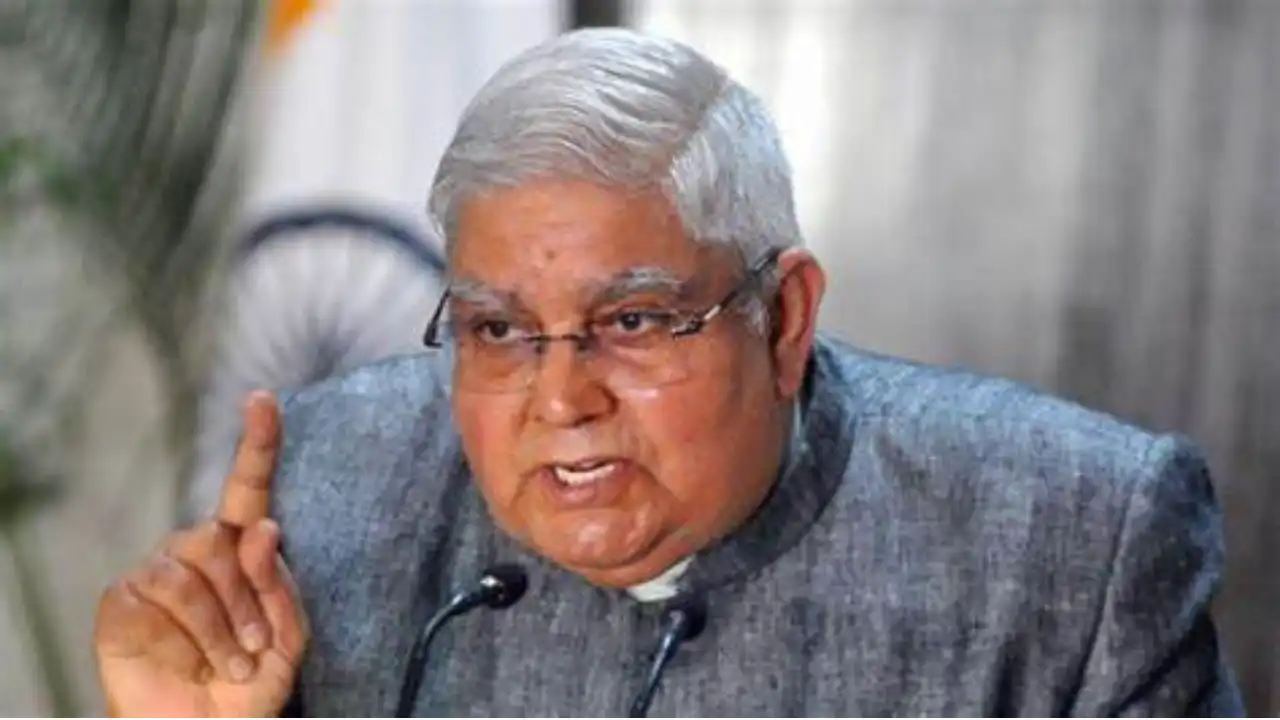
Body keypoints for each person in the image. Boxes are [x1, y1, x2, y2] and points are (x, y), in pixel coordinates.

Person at [93, 27, 1244, 717]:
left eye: (634, 319)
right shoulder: (330, 492)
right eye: (498, 331)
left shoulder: (1072, 546)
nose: (560, 400)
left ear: (783, 318)